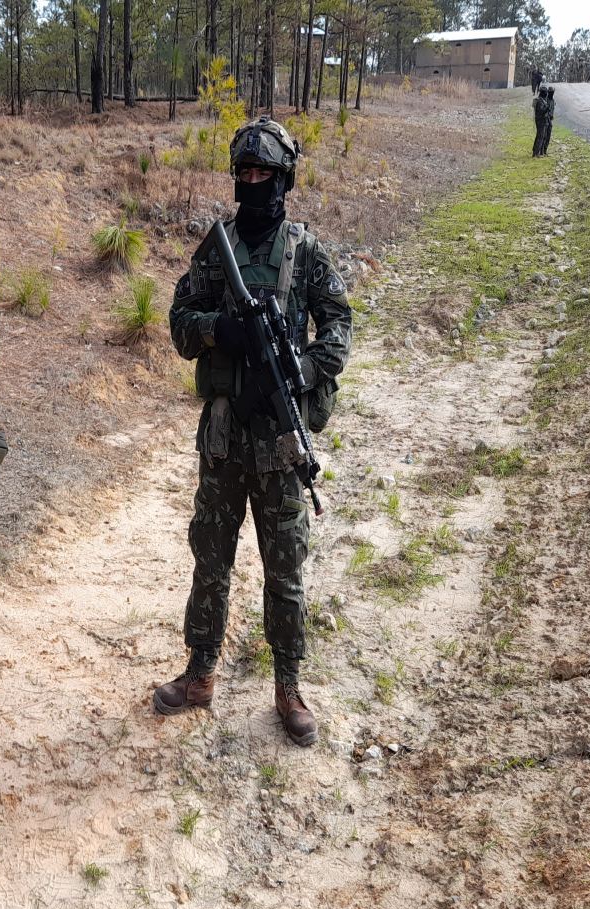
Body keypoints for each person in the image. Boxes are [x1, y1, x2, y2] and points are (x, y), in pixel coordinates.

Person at [153, 116, 352, 747]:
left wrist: (305, 368)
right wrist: (221, 330)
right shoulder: (218, 250)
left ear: (285, 178)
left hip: (281, 444)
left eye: (265, 173)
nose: (254, 182)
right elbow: (181, 321)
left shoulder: (304, 251)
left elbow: (339, 325)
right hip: (223, 437)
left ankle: (288, 685)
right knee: (210, 560)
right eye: (245, 172)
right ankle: (200, 672)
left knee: (284, 568)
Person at [532, 84, 554, 157]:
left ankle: (538, 152)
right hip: (541, 121)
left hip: (543, 120)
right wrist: (547, 108)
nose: (547, 93)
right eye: (545, 92)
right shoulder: (540, 101)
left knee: (542, 136)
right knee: (540, 136)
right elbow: (541, 111)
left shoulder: (542, 100)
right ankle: (536, 153)